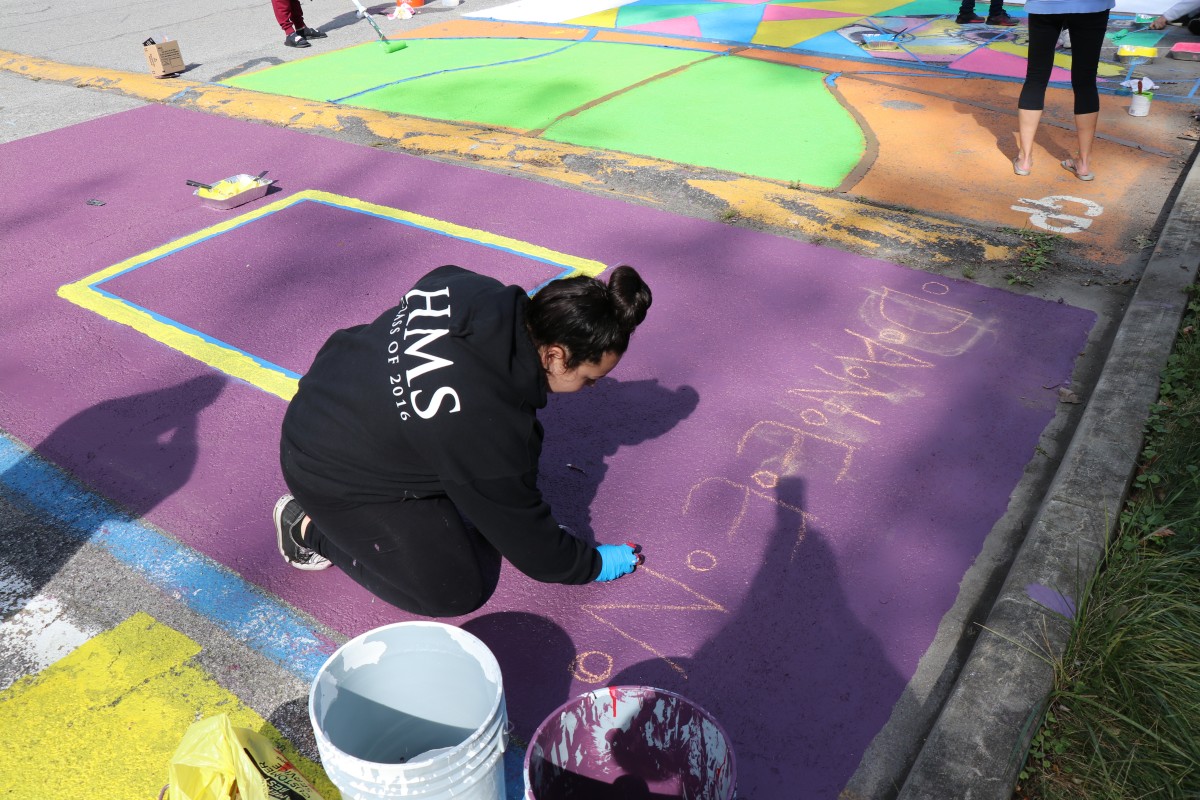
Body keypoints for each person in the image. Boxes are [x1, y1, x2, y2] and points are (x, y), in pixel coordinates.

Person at [274, 265, 653, 617]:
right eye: (589, 377)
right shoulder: (490, 429)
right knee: (454, 590)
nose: (591, 387)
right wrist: (593, 563)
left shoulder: (469, 287)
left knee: (464, 470)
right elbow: (538, 553)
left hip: (324, 399)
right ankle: (306, 527)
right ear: (555, 355)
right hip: (330, 473)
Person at [1012, 0, 1115, 180]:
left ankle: (1024, 159)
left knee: (1036, 78)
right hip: (1092, 5)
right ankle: (1083, 163)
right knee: (1086, 81)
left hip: (1046, 4)